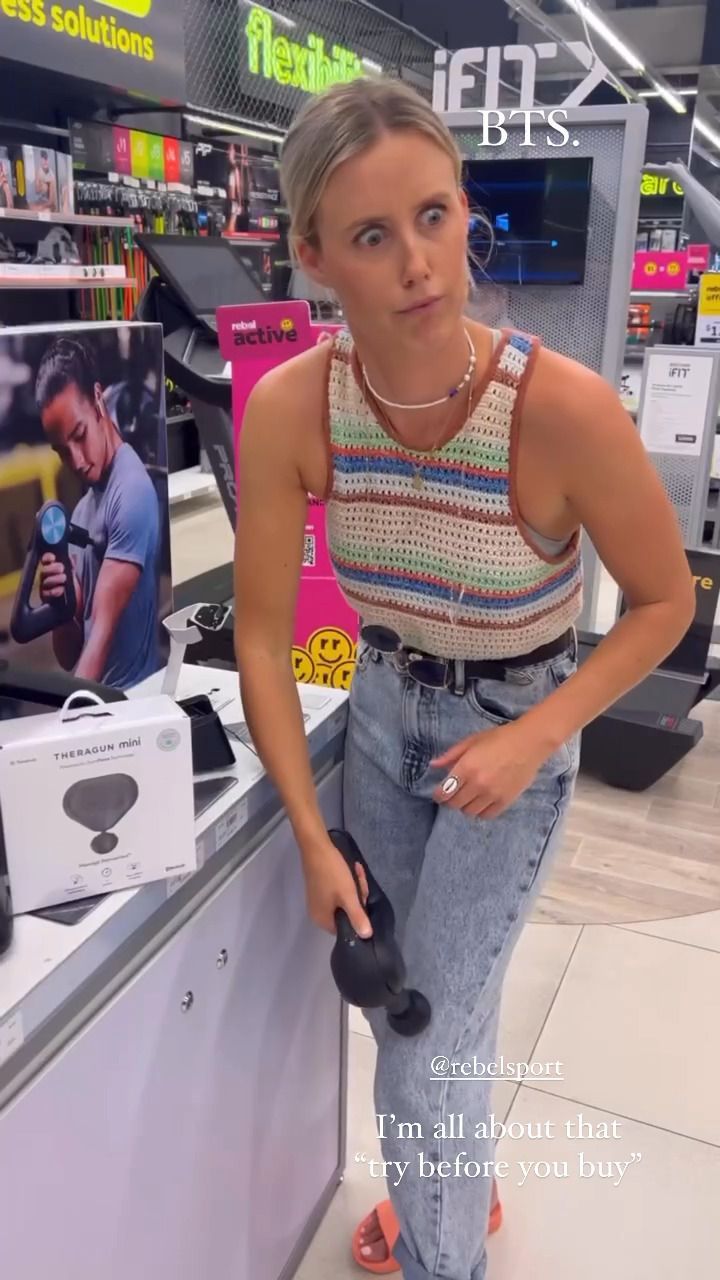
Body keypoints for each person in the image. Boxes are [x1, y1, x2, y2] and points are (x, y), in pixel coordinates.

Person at [233, 78, 694, 1280]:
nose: (419, 263)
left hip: (514, 732)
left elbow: (667, 602)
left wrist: (536, 735)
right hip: (384, 718)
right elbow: (263, 639)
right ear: (313, 253)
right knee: (424, 1003)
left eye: (435, 216)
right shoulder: (295, 408)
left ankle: (447, 1257)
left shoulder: (560, 407)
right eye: (372, 235)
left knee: (423, 1040)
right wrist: (310, 835)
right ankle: (458, 1192)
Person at [36, 337, 161, 690]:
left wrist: (68, 715)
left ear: (98, 399)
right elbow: (70, 655)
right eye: (62, 451)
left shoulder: (131, 491)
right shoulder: (81, 511)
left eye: (79, 435)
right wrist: (63, 607)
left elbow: (101, 637)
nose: (76, 461)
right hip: (98, 698)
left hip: (129, 700)